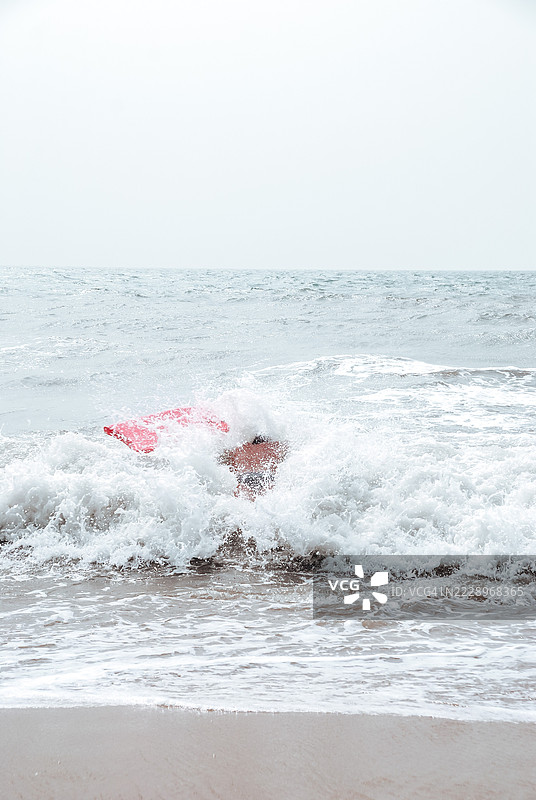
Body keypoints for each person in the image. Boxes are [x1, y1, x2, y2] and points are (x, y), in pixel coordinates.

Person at [220, 435, 288, 499]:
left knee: (244, 503)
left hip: (244, 477)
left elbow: (224, 461)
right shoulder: (274, 447)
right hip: (266, 476)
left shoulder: (239, 448)